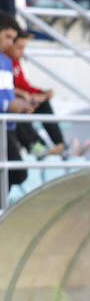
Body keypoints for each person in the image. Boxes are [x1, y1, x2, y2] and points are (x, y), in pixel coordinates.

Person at [0, 13, 28, 189]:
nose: (10, 43)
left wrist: (19, 104)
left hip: (8, 126)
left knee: (13, 173)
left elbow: (5, 93)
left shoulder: (6, 61)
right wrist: (8, 106)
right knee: (16, 172)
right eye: (7, 37)